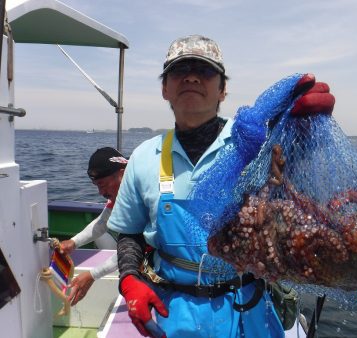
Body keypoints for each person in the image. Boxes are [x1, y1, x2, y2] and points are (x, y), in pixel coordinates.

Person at [108, 34, 335, 337]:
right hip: (173, 313)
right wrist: (129, 279)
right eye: (179, 70)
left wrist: (303, 130)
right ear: (165, 88)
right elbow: (130, 232)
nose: (190, 77)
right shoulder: (143, 157)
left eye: (204, 70)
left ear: (223, 89)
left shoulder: (258, 141)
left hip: (250, 308)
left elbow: (298, 181)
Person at [59, 147, 127, 306]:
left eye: (103, 185)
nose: (100, 192)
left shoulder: (144, 196)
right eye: (97, 185)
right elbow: (102, 223)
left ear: (122, 174)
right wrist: (73, 242)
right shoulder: (123, 192)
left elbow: (133, 249)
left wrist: (92, 275)